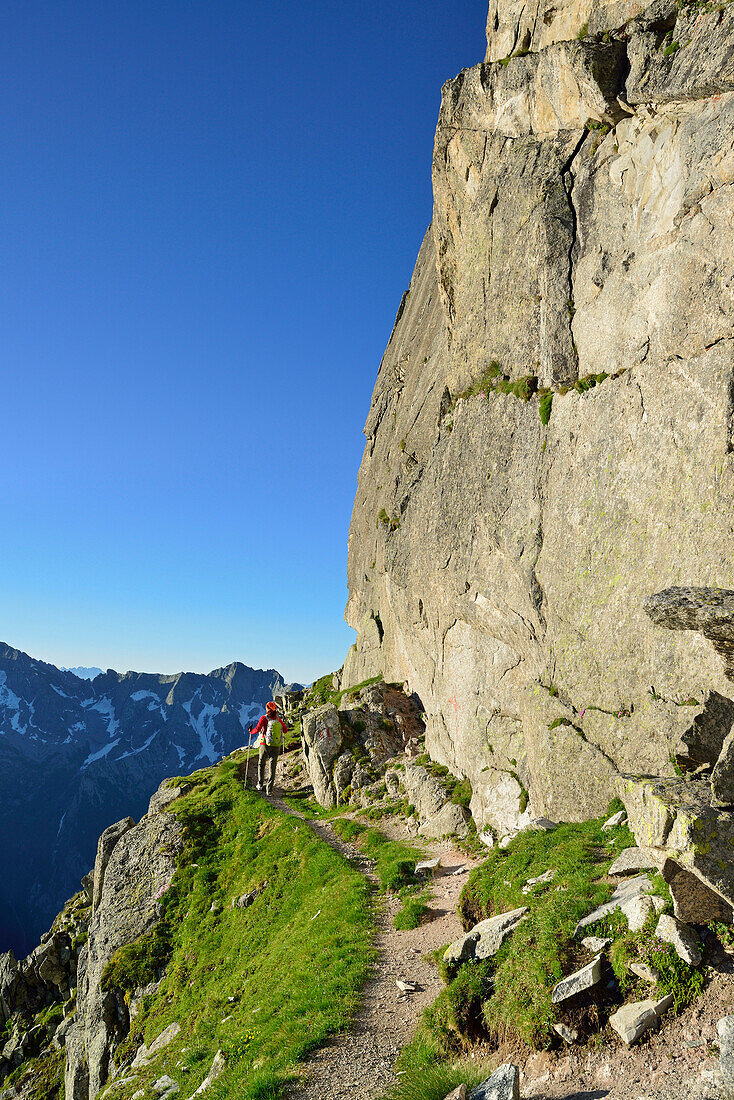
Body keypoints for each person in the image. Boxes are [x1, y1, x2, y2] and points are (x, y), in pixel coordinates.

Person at [250, 701, 287, 796]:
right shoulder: (278, 719)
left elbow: (257, 729)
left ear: (267, 709)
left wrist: (251, 731)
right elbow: (285, 730)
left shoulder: (264, 718)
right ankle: (269, 790)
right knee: (272, 767)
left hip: (265, 744)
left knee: (261, 763)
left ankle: (260, 784)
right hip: (276, 745)